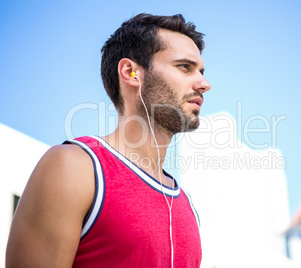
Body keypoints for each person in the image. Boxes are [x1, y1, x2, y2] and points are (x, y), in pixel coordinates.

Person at [6, 13, 211, 268]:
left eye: (201, 71)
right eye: (185, 67)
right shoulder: (74, 167)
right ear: (131, 72)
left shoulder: (187, 207)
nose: (204, 84)